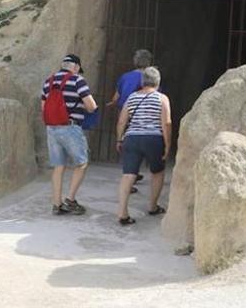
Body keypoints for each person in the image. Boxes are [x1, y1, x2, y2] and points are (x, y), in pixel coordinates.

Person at [41, 54, 98, 215]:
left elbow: (43, 107)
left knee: (59, 166)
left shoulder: (49, 81)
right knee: (81, 163)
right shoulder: (77, 80)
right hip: (70, 127)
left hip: (52, 128)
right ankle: (70, 200)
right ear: (76, 67)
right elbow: (91, 106)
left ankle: (56, 204)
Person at [115, 67, 172, 226]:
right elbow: (166, 123)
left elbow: (121, 121)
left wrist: (119, 139)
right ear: (158, 82)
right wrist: (168, 145)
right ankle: (153, 206)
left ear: (142, 82)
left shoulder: (132, 97)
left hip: (132, 138)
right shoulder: (162, 98)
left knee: (128, 175)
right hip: (153, 138)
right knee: (157, 172)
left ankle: (122, 212)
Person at [107, 49, 153, 190]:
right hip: (142, 115)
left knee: (127, 144)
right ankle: (130, 177)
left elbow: (116, 97)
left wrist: (112, 103)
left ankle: (132, 172)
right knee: (138, 145)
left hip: (125, 112)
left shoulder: (125, 77)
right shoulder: (150, 78)